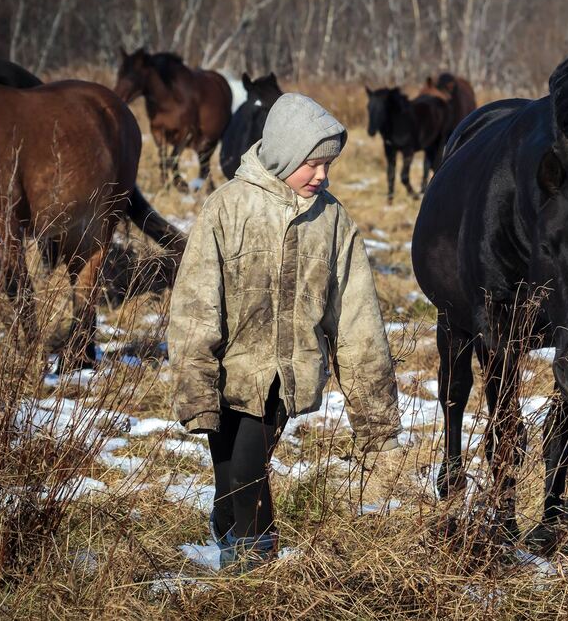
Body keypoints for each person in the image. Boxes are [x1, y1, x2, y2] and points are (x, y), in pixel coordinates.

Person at [168, 93, 401, 570]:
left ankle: (252, 570)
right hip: (224, 371)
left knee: (248, 471)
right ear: (283, 154)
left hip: (282, 374)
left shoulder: (332, 221)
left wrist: (375, 417)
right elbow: (195, 302)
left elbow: (358, 322)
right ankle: (231, 524)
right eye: (312, 164)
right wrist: (195, 382)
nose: (322, 175)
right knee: (229, 481)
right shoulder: (227, 207)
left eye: (328, 165)